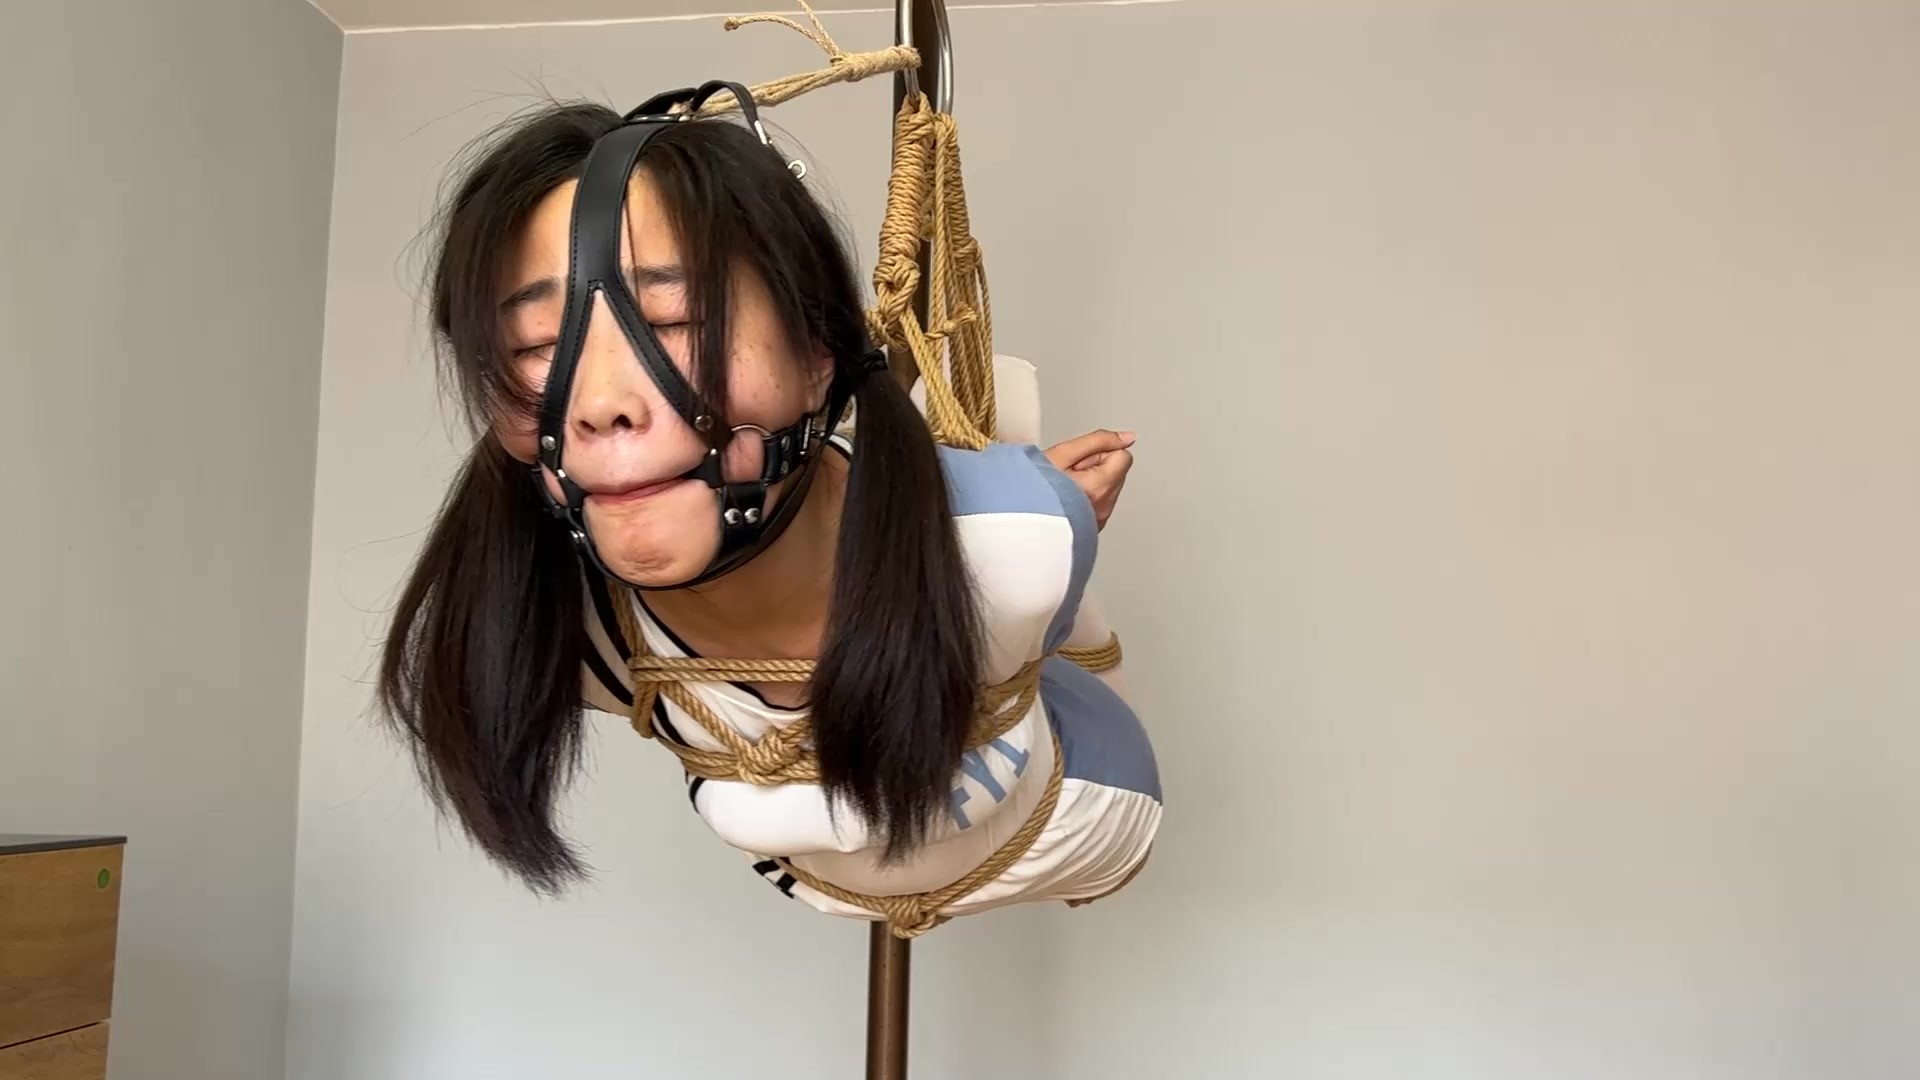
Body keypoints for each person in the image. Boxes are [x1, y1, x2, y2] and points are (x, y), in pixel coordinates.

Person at [378, 97, 1161, 925]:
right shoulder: (555, 632)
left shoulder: (1013, 542)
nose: (599, 401)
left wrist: (1044, 517)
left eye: (674, 320)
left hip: (1086, 819)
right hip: (831, 886)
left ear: (817, 350)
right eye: (535, 344)